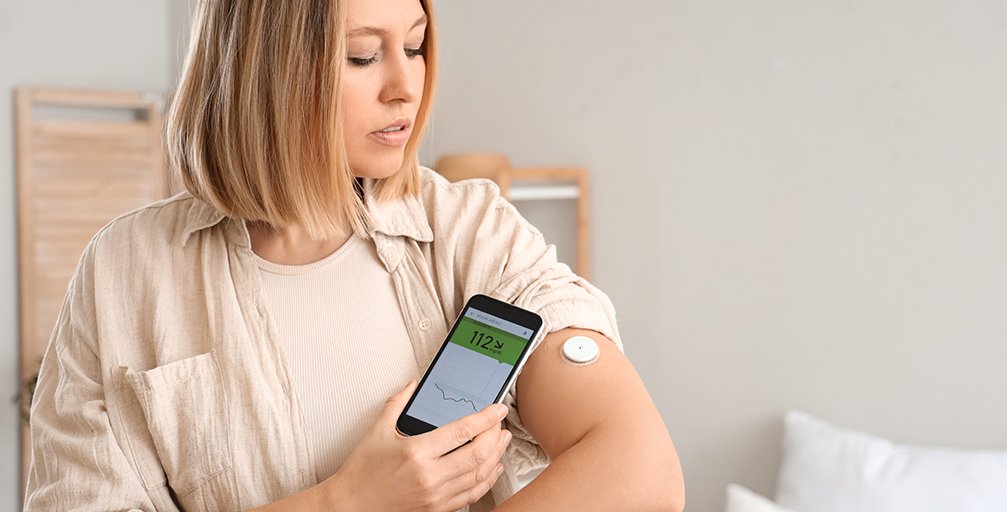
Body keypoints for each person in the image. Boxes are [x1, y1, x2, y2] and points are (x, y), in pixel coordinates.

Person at [24, 0, 685, 510]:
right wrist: (347, 500)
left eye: (416, 45)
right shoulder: (123, 272)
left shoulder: (472, 233)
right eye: (364, 57)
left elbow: (640, 472)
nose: (407, 87)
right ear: (267, 73)